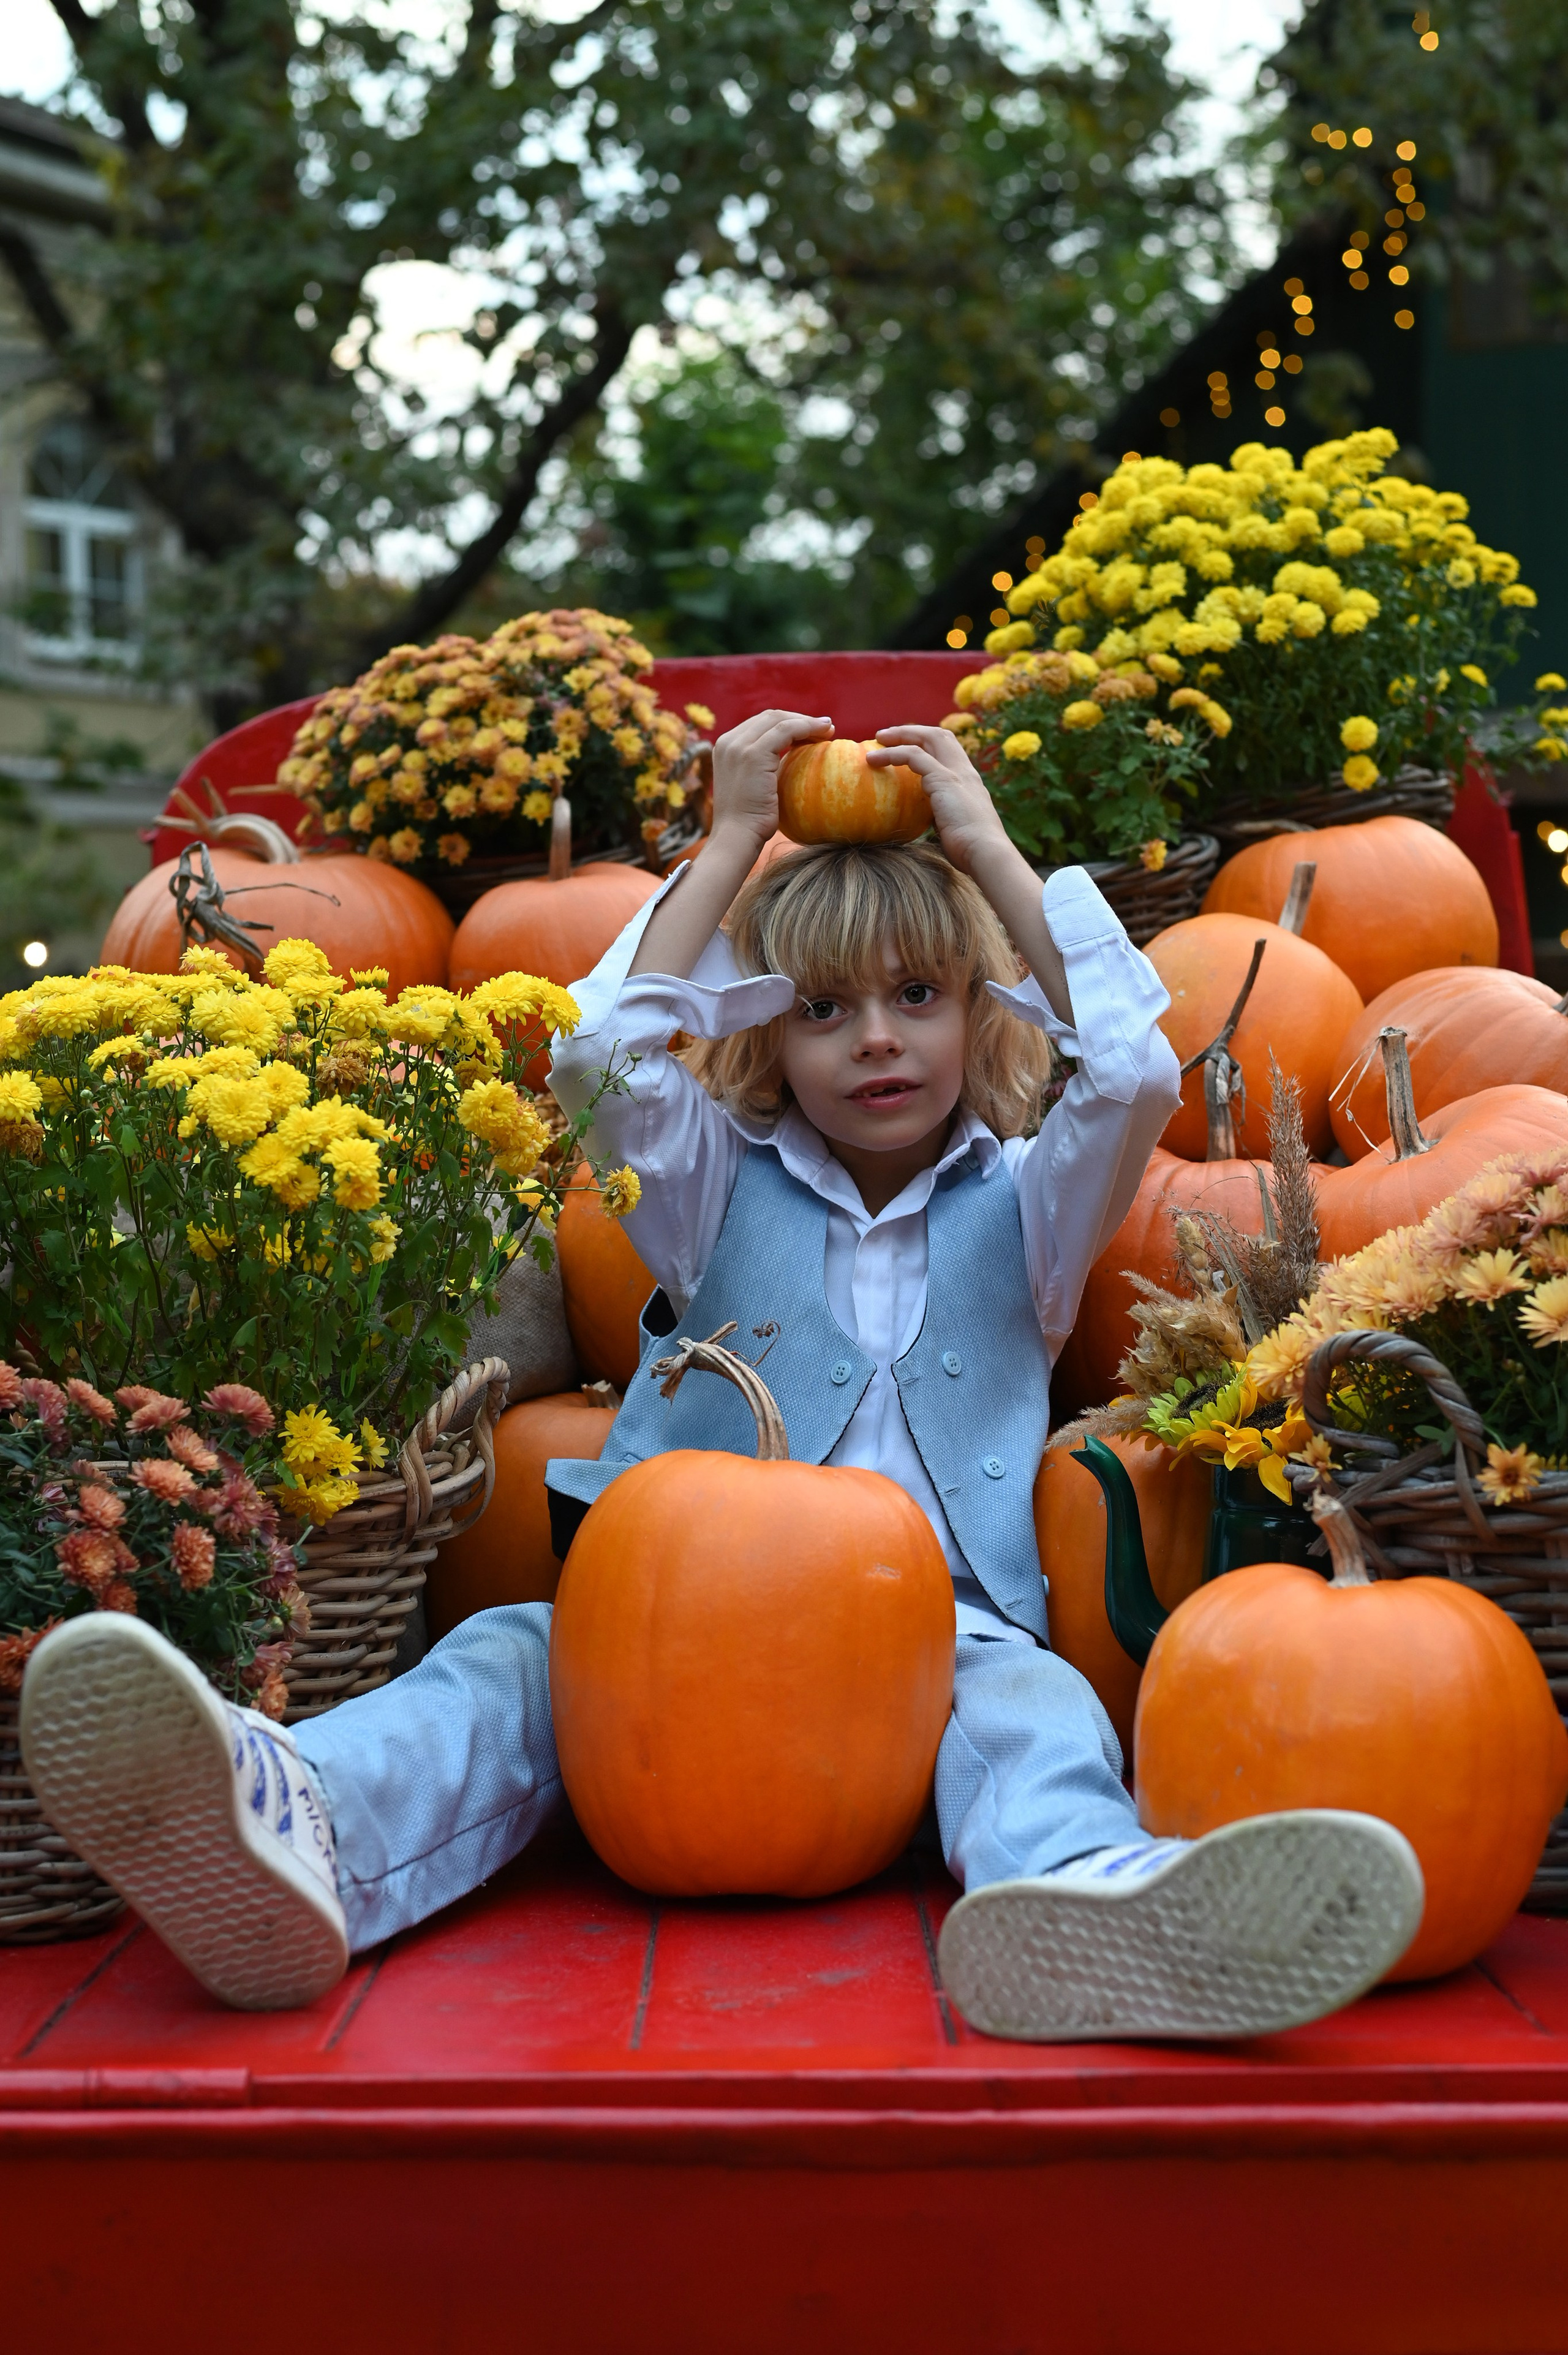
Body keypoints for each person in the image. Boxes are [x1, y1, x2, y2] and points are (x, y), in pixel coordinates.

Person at [19, 711, 1423, 2033]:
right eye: (823, 1008)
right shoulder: (704, 1186)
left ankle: (1087, 1905)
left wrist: (986, 849)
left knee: (1027, 1708)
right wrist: (726, 846)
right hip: (673, 1630)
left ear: (977, 1011)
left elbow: (1125, 1069)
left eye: (917, 996)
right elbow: (589, 1053)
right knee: (506, 1663)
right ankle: (293, 1824)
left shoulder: (1034, 1211)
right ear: (764, 1030)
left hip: (927, 1635)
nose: (875, 1035)